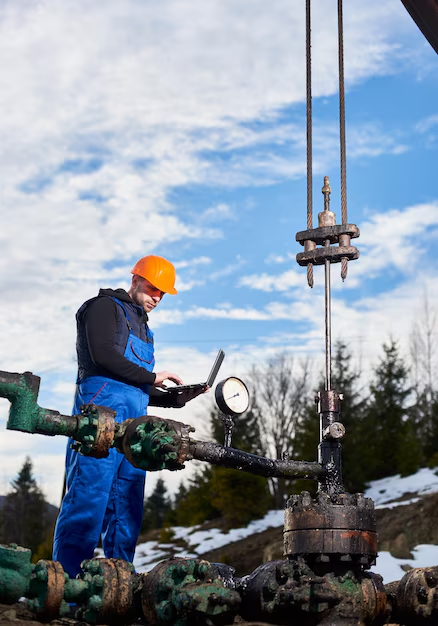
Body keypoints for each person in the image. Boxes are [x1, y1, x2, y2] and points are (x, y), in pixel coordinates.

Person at [53, 255, 206, 577]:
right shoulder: (103, 307)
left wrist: (173, 400)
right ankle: (64, 587)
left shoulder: (144, 327)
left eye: (163, 294)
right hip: (101, 414)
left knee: (127, 506)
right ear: (135, 280)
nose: (157, 298)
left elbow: (135, 384)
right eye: (153, 289)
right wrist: (152, 378)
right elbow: (103, 355)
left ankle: (117, 585)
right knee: (88, 499)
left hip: (135, 422)